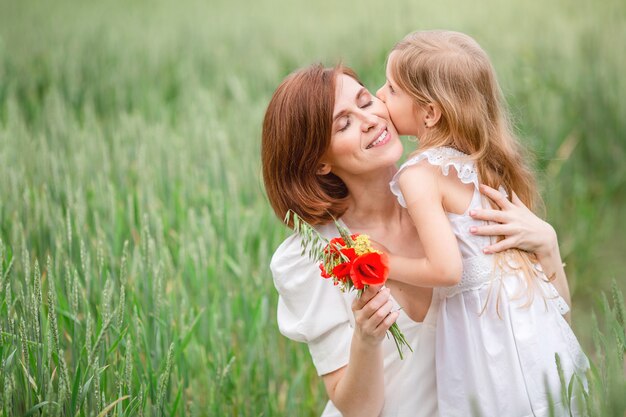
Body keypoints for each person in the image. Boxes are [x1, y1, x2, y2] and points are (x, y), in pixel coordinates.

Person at [262, 64, 572, 417]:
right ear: (319, 163)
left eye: (365, 101)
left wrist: (547, 245)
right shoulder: (315, 257)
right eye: (343, 124)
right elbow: (358, 409)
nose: (369, 120)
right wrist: (367, 339)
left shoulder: (454, 198)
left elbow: (549, 331)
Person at [375, 30, 588, 416]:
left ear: (430, 112)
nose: (378, 95)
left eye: (391, 88)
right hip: (537, 335)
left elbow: (446, 268)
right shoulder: (485, 163)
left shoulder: (419, 174)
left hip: (487, 342)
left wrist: (381, 261)